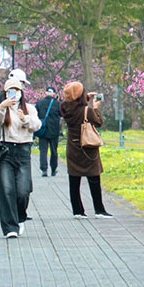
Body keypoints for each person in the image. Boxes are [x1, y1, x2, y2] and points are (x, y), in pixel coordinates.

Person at [0, 77, 41, 238]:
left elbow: (37, 126)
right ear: (6, 93)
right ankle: (10, 228)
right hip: (6, 150)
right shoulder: (3, 108)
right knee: (6, 189)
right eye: (10, 91)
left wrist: (24, 118)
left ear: (22, 92)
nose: (14, 94)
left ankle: (20, 216)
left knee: (23, 190)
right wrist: (1, 107)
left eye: (17, 90)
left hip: (24, 150)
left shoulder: (29, 108)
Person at [60, 81, 112, 218]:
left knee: (74, 180)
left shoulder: (65, 109)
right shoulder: (87, 111)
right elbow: (99, 122)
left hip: (73, 148)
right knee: (94, 179)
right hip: (87, 149)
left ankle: (78, 211)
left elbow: (73, 103)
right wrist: (95, 107)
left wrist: (86, 98)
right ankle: (99, 209)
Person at [34, 86, 62, 177]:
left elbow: (35, 115)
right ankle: (53, 169)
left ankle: (44, 169)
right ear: (54, 94)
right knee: (54, 151)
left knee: (43, 150)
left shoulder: (39, 103)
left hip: (43, 130)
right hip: (54, 131)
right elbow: (62, 114)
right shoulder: (57, 104)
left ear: (45, 93)